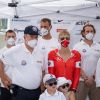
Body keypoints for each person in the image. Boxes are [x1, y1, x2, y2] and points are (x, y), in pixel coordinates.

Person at [0, 25, 44, 100]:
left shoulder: (40, 52)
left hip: (36, 92)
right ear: (25, 37)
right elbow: (1, 61)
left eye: (36, 37)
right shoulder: (15, 50)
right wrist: (3, 78)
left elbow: (42, 70)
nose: (34, 39)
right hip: (21, 93)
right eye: (32, 36)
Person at [48, 30, 81, 100]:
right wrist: (54, 88)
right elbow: (51, 73)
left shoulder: (77, 54)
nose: (65, 40)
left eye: (67, 38)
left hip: (70, 90)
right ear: (58, 40)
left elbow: (77, 73)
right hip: (57, 90)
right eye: (62, 38)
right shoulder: (52, 54)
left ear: (70, 40)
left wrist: (73, 89)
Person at [73, 24, 100, 100]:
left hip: (96, 81)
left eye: (91, 31)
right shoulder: (77, 46)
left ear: (94, 33)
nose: (90, 33)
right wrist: (85, 78)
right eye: (87, 31)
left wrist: (93, 77)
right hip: (81, 81)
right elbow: (76, 64)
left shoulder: (98, 46)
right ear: (83, 33)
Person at [0, 30, 16, 100]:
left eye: (13, 36)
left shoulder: (19, 50)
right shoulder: (1, 51)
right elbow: (0, 68)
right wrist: (5, 79)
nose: (11, 38)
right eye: (9, 37)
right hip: (5, 84)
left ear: (15, 38)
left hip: (18, 85)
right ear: (5, 38)